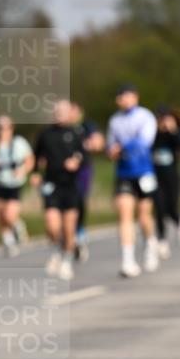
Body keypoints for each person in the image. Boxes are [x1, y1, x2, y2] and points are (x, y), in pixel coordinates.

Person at [106, 84, 159, 277]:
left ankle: (150, 242)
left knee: (144, 215)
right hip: (124, 173)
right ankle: (128, 260)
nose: (124, 100)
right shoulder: (114, 121)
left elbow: (145, 141)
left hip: (144, 172)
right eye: (121, 97)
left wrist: (122, 147)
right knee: (124, 214)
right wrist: (111, 151)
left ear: (135, 97)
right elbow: (110, 144)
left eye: (127, 96)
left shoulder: (145, 116)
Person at [33, 99, 85, 281]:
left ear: (69, 113)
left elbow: (83, 156)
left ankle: (67, 261)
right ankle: (57, 249)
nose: (59, 115)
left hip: (70, 185)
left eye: (63, 111)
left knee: (69, 227)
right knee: (52, 225)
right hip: (51, 184)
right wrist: (35, 173)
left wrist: (76, 162)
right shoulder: (45, 134)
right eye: (57, 111)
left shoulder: (76, 133)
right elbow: (36, 156)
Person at [0, 114, 34, 257]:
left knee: (9, 214)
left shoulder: (19, 143)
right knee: (0, 213)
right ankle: (8, 241)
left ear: (12, 128)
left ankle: (18, 226)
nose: (2, 131)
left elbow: (30, 160)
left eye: (6, 127)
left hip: (14, 183)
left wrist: (23, 170)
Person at [70, 101, 105, 261]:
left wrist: (89, 145)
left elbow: (98, 142)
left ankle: (79, 232)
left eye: (73, 111)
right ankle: (68, 235)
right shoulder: (61, 128)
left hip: (82, 169)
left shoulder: (86, 126)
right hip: (62, 172)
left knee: (79, 199)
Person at [151, 106, 180, 258]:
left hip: (172, 177)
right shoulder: (152, 135)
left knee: (172, 207)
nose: (162, 122)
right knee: (159, 209)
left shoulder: (174, 136)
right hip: (155, 178)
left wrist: (172, 131)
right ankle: (162, 240)